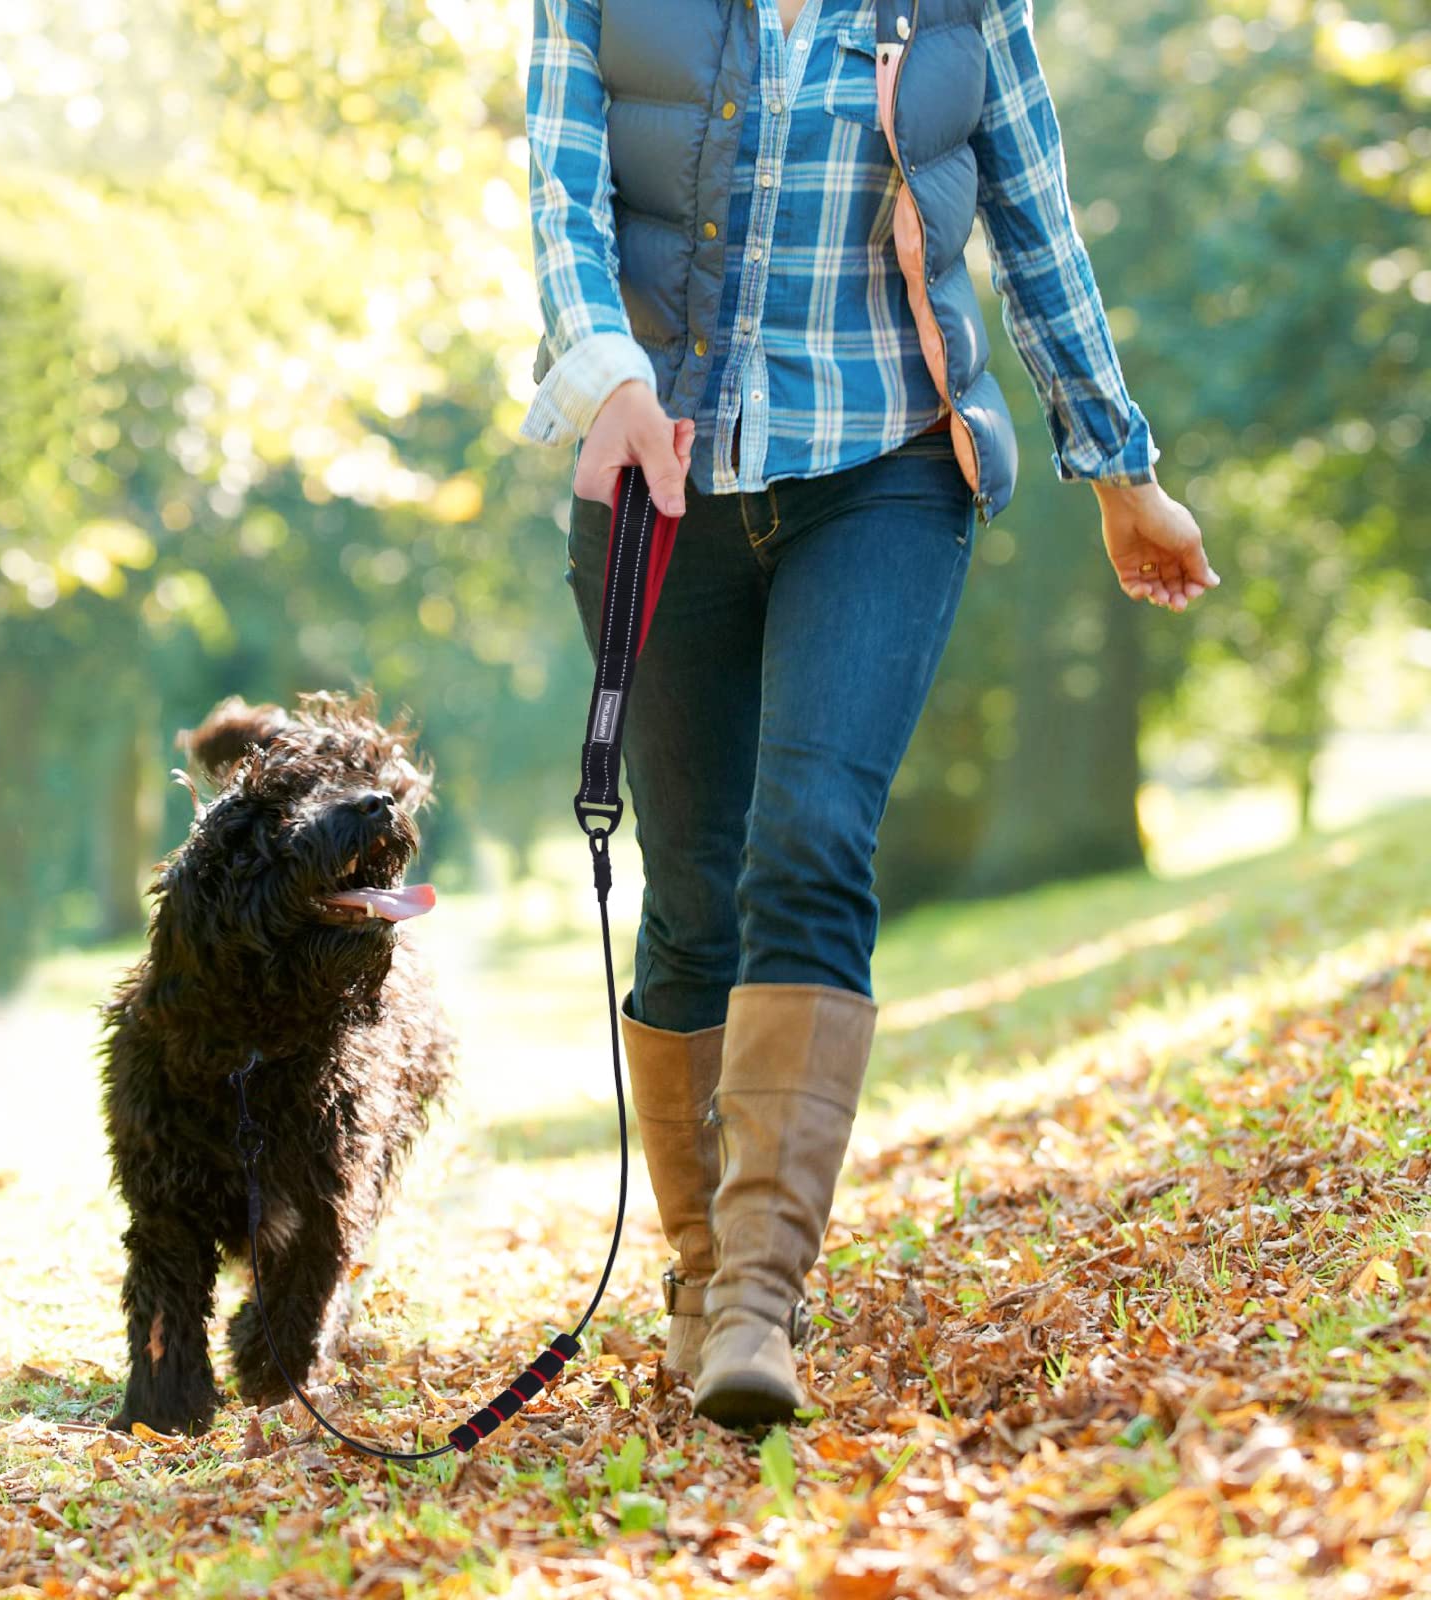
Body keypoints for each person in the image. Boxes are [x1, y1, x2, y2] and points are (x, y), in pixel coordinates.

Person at [520, 0, 1218, 1431]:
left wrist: (1118, 460)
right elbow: (560, 191)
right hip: (665, 475)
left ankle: (760, 1303)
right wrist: (609, 378)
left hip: (887, 464)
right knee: (695, 896)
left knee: (815, 837)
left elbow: (1035, 221)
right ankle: (702, 1278)